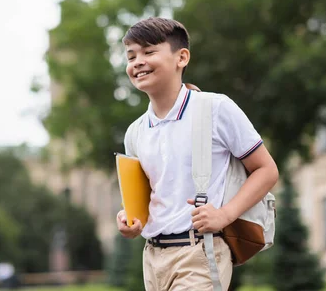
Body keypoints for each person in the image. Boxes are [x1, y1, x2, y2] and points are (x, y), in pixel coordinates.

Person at [116, 18, 278, 290]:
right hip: (152, 258)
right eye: (131, 56)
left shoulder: (215, 109)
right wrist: (130, 220)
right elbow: (146, 201)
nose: (138, 62)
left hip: (200, 252)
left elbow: (267, 170)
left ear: (181, 57)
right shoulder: (135, 132)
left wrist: (225, 215)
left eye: (149, 52)